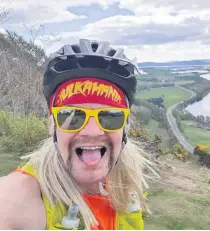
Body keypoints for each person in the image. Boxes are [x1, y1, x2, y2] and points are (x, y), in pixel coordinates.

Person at [0, 39, 158, 230]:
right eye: (72, 115)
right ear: (53, 126)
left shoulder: (127, 181)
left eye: (110, 116)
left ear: (125, 127)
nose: (92, 131)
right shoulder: (17, 197)